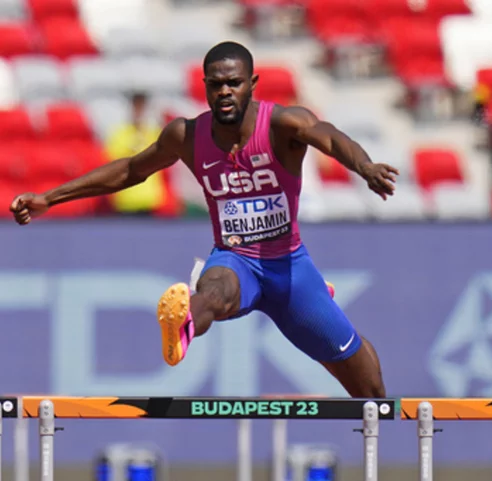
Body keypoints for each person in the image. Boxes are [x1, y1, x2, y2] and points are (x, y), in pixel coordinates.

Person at [9, 41, 399, 398]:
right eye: (216, 84)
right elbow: (130, 170)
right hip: (236, 259)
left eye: (234, 83)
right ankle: (182, 326)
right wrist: (49, 197)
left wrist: (363, 166)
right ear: (206, 86)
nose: (225, 92)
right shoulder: (187, 135)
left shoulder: (283, 125)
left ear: (252, 84)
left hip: (289, 269)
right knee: (213, 291)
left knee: (368, 387)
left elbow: (329, 136)